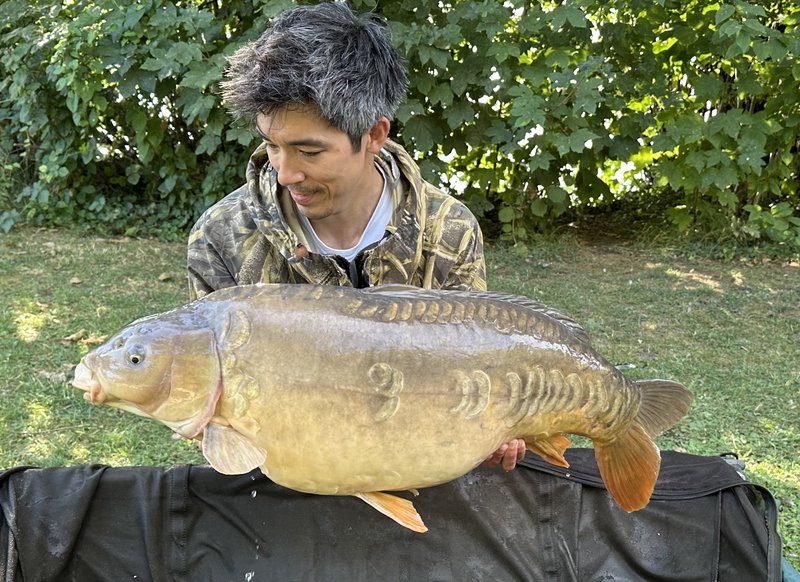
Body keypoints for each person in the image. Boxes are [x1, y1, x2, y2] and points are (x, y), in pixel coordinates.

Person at [187, 2, 525, 470]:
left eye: (309, 150)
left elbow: (473, 367)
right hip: (286, 485)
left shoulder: (448, 229)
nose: (285, 173)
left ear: (374, 135)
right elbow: (211, 408)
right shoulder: (221, 237)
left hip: (419, 471)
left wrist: (492, 428)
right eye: (270, 144)